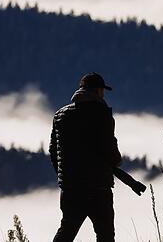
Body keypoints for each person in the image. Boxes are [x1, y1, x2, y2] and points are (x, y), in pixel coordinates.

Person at [49, 72, 122, 242]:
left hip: (71, 190)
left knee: (66, 232)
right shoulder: (102, 114)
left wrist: (64, 178)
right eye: (102, 91)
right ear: (97, 91)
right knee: (105, 236)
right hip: (99, 189)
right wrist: (117, 162)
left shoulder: (60, 115)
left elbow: (54, 152)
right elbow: (109, 148)